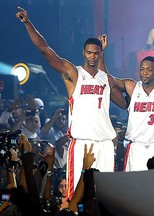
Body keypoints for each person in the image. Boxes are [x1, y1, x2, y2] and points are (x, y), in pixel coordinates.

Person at [16, 6, 127, 201]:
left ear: (101, 54)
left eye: (96, 53)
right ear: (84, 53)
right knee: (77, 197)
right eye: (89, 53)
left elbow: (124, 104)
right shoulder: (74, 74)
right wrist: (28, 23)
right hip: (82, 143)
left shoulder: (107, 79)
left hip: (105, 145)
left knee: (105, 198)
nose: (92, 56)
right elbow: (45, 50)